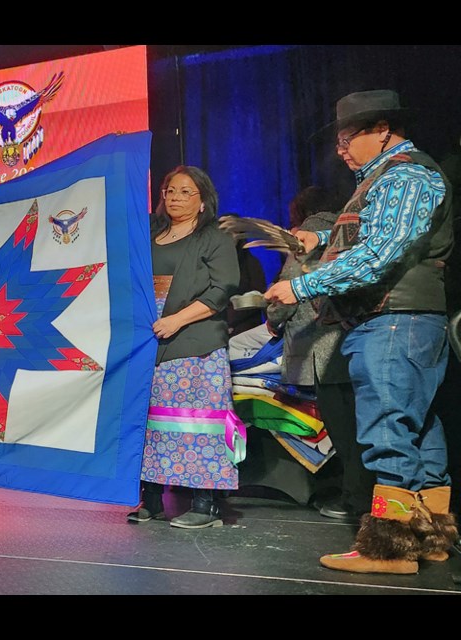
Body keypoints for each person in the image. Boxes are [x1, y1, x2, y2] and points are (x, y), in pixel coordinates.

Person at [265, 90, 456, 574]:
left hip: (395, 320)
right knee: (420, 427)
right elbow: (375, 232)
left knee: (388, 429)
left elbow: (379, 255)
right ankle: (429, 538)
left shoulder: (408, 173)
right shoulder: (382, 179)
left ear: (384, 130)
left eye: (349, 137)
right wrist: (322, 237)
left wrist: (301, 285)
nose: (340, 149)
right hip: (402, 322)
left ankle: (389, 549)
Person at [127, 166, 241, 529]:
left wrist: (177, 320)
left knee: (196, 424)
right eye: (169, 191)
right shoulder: (151, 231)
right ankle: (153, 499)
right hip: (148, 340)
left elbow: (222, 289)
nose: (174, 198)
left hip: (193, 341)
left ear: (203, 200)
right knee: (150, 423)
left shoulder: (214, 238)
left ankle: (205, 506)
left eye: (185, 192)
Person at [266, 187, 373, 522]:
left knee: (342, 429)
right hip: (354, 339)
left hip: (320, 345)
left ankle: (357, 502)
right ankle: (366, 498)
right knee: (361, 426)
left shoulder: (308, 235)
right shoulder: (351, 228)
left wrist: (273, 319)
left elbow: (291, 283)